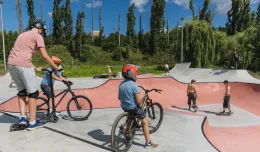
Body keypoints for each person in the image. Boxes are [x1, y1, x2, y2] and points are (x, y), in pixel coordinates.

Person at [7, 20, 61, 131]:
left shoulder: (21, 35)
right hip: (24, 65)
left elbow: (25, 53)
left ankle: (22, 118)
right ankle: (32, 122)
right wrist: (56, 68)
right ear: (40, 29)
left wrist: (36, 68)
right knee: (33, 93)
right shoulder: (38, 36)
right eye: (43, 32)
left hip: (11, 64)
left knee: (22, 92)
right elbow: (45, 56)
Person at [118, 64, 158, 149]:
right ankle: (148, 143)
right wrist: (143, 103)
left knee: (130, 115)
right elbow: (139, 102)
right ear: (132, 73)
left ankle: (127, 132)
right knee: (145, 122)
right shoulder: (134, 85)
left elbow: (119, 97)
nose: (137, 73)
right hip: (133, 107)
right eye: (136, 71)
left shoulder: (121, 84)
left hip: (124, 106)